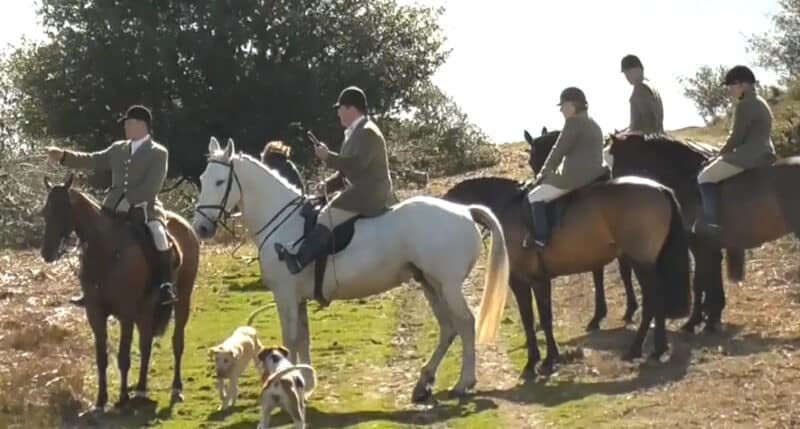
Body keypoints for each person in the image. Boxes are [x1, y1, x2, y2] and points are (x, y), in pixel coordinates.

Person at [45, 105, 177, 306]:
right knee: (91, 238)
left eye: (129, 124)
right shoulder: (118, 149)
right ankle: (90, 289)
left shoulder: (159, 153)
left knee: (159, 237)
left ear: (142, 126)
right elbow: (92, 160)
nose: (126, 128)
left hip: (145, 209)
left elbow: (152, 187)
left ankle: (164, 286)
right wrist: (63, 155)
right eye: (126, 124)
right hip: (112, 207)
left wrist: (129, 201)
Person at [274, 86, 394, 274]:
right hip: (360, 190)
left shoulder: (368, 132)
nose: (338, 113)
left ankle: (300, 260)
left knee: (326, 215)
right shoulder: (353, 134)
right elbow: (344, 172)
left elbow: (357, 165)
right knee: (320, 206)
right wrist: (325, 187)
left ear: (352, 109)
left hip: (371, 193)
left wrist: (327, 156)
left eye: (341, 108)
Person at [693, 65, 776, 240]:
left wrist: (718, 155)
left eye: (731, 86)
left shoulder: (744, 105)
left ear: (743, 84)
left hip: (748, 155)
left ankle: (711, 223)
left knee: (704, 177)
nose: (729, 90)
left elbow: (735, 138)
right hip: (765, 151)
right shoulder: (760, 101)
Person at [525, 87, 607, 249]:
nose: (561, 109)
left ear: (572, 105)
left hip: (574, 177)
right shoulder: (592, 122)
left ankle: (541, 238)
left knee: (534, 196)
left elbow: (558, 151)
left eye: (563, 105)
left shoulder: (573, 123)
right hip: (598, 172)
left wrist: (542, 175)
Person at [620, 54, 664, 135]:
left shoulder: (640, 89)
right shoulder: (651, 86)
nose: (626, 76)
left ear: (638, 70)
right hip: (658, 137)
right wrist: (625, 131)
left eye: (628, 72)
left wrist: (625, 134)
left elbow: (648, 125)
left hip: (645, 142)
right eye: (625, 73)